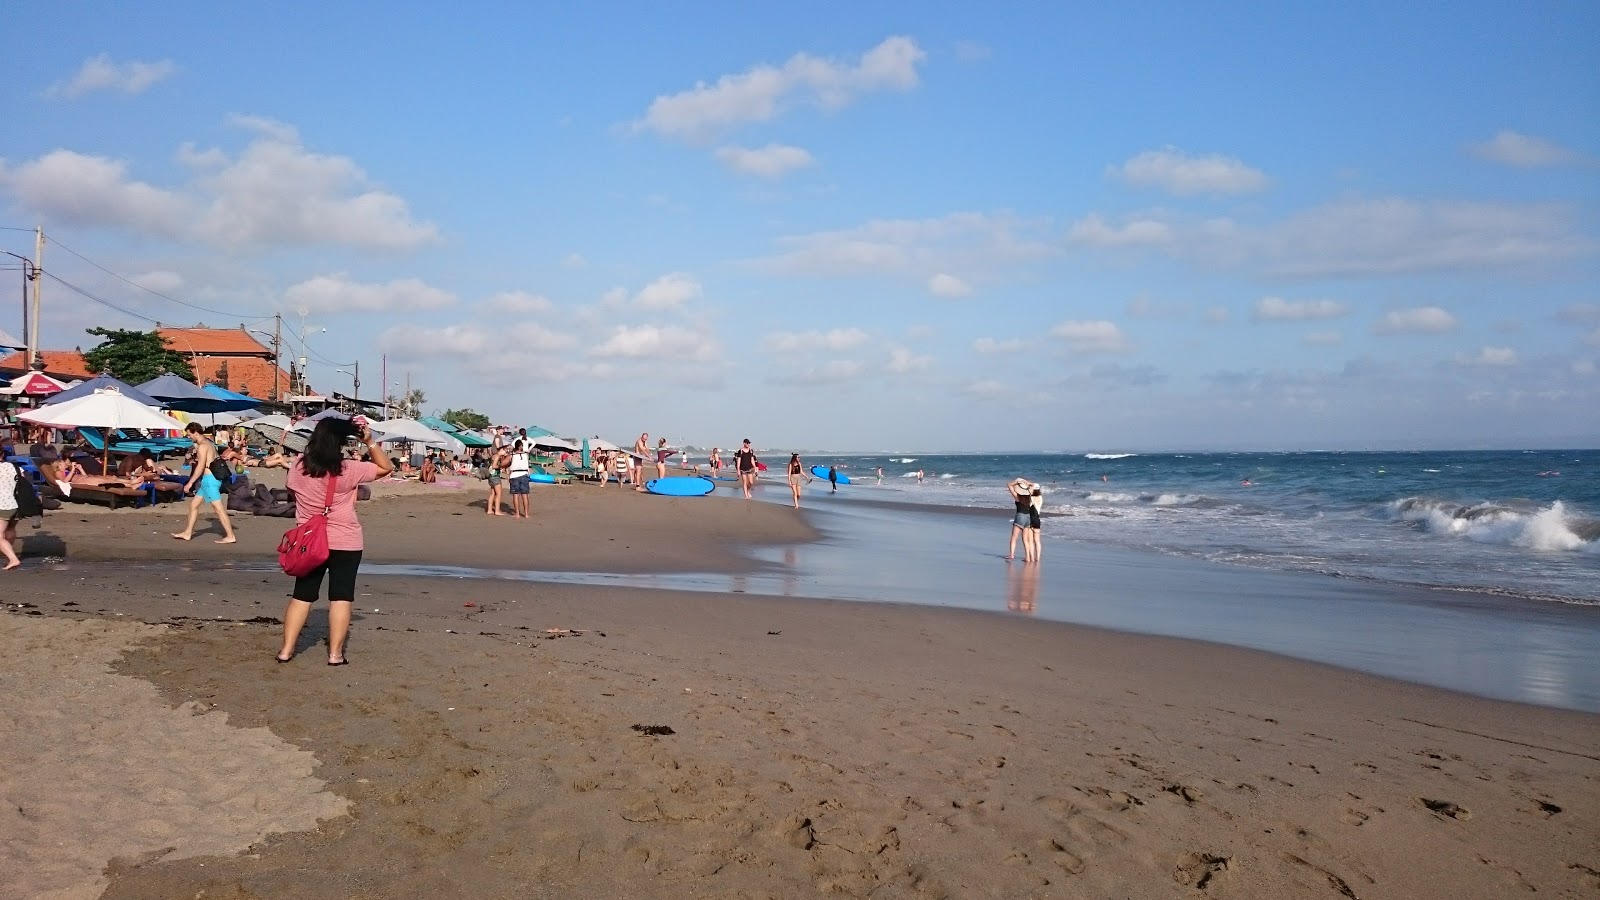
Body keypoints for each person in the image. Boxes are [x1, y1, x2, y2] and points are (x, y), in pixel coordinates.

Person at [276, 417, 393, 665]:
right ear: (340, 442)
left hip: (309, 541)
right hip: (345, 539)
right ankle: (335, 654)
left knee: (302, 595)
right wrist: (370, 441)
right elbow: (386, 467)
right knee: (341, 596)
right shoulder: (349, 468)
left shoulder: (298, 465)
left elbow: (292, 491)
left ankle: (286, 650)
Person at [172, 422, 237, 544]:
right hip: (209, 480)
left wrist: (190, 483)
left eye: (190, 434)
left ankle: (230, 535)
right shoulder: (209, 443)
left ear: (195, 432)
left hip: (210, 480)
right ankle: (187, 533)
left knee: (218, 509)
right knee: (193, 505)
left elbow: (201, 466)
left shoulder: (202, 446)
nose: (189, 437)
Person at [0, 459, 24, 570]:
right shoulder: (13, 466)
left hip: (2, 505)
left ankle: (13, 558)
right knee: (10, 530)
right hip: (15, 503)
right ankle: (7, 552)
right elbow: (23, 480)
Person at [1006, 478, 1034, 562]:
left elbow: (1009, 485)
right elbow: (1032, 485)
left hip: (1020, 516)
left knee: (1014, 537)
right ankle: (1028, 557)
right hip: (1029, 517)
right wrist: (1026, 482)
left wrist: (1016, 482)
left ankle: (1011, 554)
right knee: (1025, 539)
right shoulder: (1029, 494)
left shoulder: (1017, 497)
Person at [506, 440, 532, 519]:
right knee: (524, 495)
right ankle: (526, 514)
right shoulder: (525, 454)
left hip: (514, 475)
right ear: (520, 446)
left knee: (516, 495)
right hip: (523, 474)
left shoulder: (512, 455)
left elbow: (506, 463)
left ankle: (517, 514)